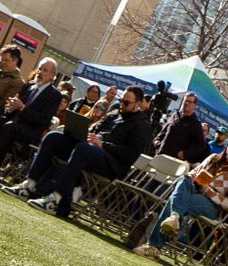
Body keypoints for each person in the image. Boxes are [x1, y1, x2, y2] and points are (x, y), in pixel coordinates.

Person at [20, 85, 153, 217]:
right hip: (89, 150)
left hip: (112, 164)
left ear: (138, 104)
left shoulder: (142, 125)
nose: (121, 104)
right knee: (53, 137)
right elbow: (95, 130)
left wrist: (103, 144)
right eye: (121, 100)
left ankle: (56, 199)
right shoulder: (114, 114)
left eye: (126, 102)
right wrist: (82, 132)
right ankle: (29, 185)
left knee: (83, 149)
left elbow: (130, 155)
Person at [135, 135, 228, 258]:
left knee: (178, 200)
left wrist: (208, 190)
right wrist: (194, 178)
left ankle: (157, 241)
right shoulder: (213, 158)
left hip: (212, 206)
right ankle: (173, 219)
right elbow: (192, 174)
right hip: (193, 190)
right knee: (184, 179)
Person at [155, 92, 209, 166]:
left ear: (194, 105)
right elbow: (163, 132)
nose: (186, 103)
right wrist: (157, 141)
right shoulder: (174, 116)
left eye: (189, 102)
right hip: (159, 155)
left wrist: (185, 153)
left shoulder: (195, 123)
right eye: (185, 100)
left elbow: (200, 144)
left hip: (174, 162)